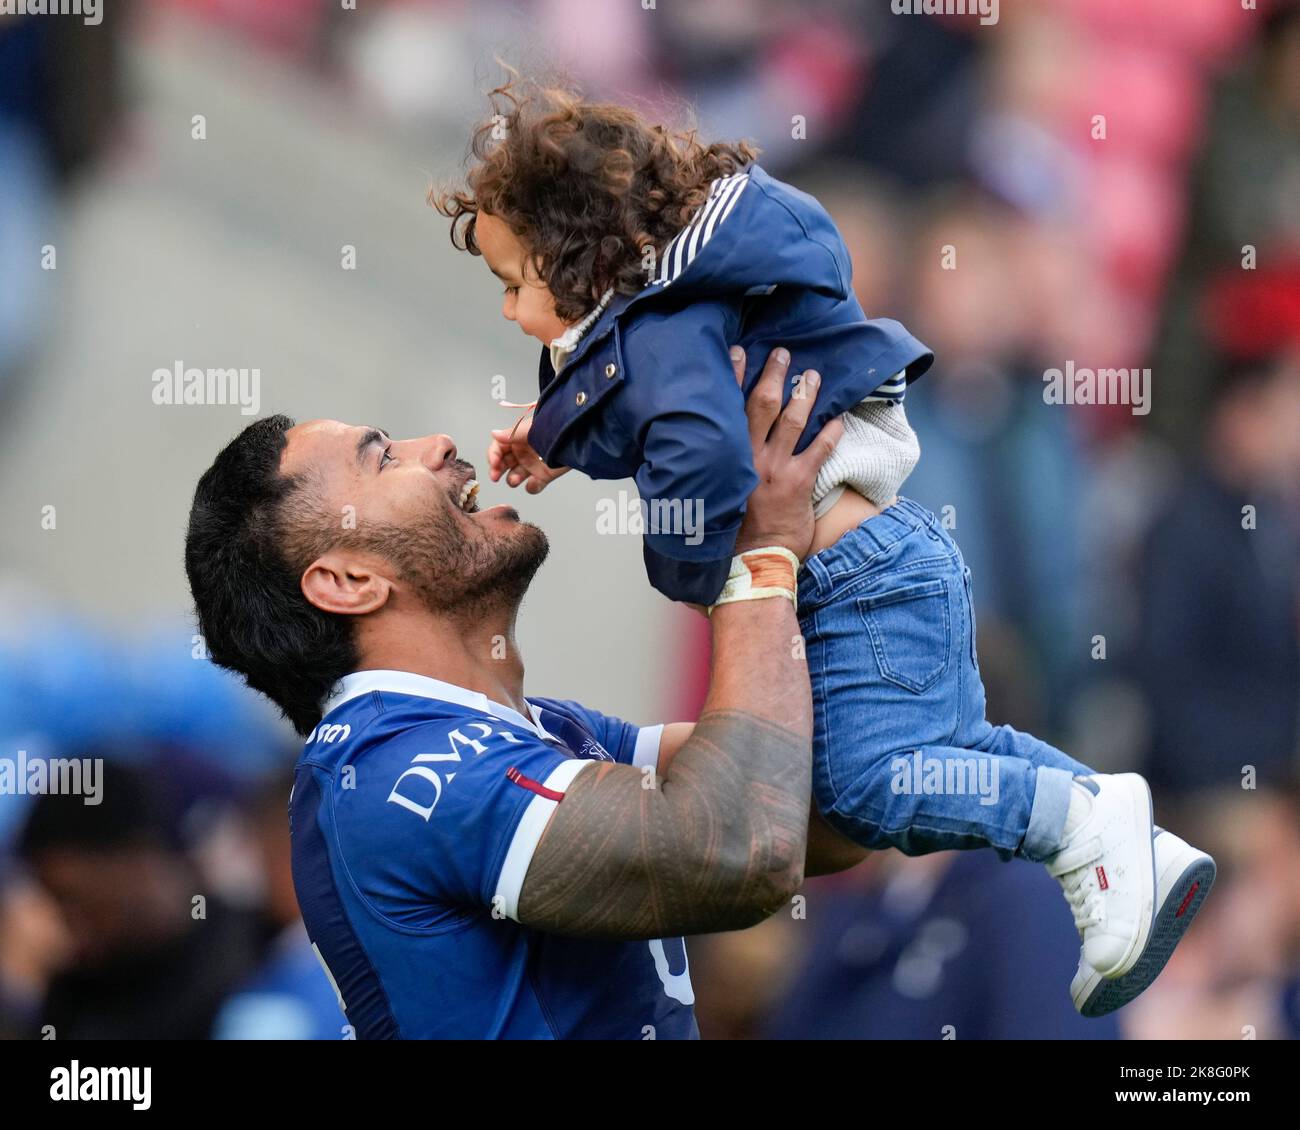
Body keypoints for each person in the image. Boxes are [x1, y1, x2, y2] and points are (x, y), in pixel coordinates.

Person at [432, 74, 1214, 1014]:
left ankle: (1080, 826)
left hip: (858, 583)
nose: (515, 313)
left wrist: (693, 571)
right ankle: (1126, 838)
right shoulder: (669, 315)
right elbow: (635, 395)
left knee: (869, 790)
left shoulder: (664, 335)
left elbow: (700, 448)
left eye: (517, 283)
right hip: (893, 560)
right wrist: (556, 437)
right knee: (951, 748)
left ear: (582, 259)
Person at [185, 348, 843, 1039]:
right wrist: (758, 557)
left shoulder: (538, 729)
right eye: (381, 458)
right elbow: (743, 849)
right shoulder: (390, 776)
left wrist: (799, 504)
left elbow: (823, 806)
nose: (436, 444)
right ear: (349, 580)